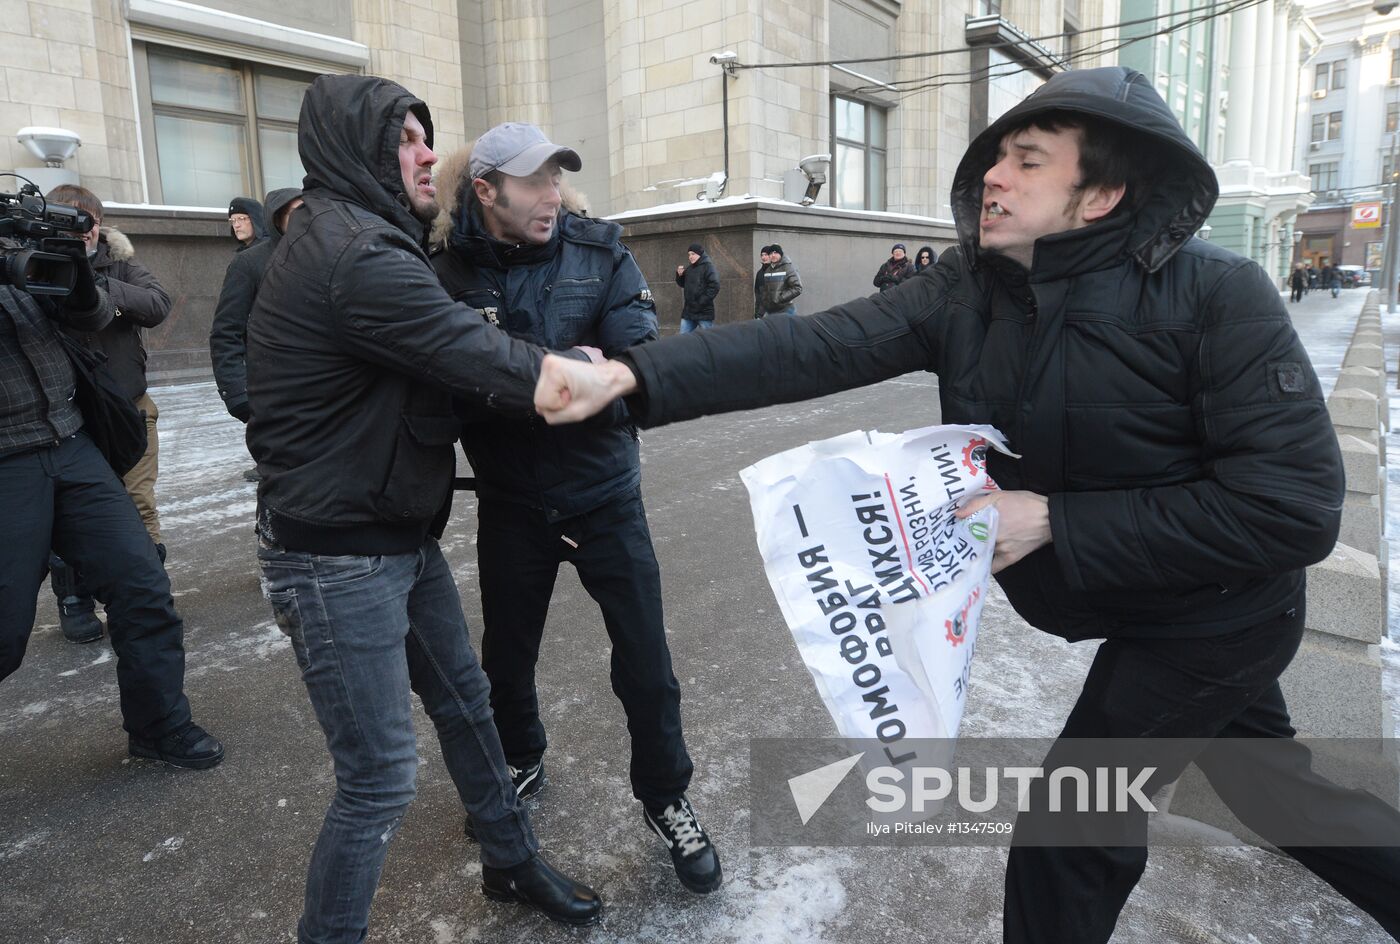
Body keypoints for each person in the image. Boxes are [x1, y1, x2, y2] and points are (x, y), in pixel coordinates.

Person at [534, 66, 1400, 943]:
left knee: (1069, 838)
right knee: (1273, 789)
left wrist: (1056, 518)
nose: (993, 174)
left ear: (1100, 194)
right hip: (1136, 597)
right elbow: (809, 348)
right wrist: (631, 373)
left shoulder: (1216, 295)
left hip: (1219, 616)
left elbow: (1292, 509)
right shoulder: (968, 290)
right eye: (995, 157)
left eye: (1027, 161)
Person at [246, 77, 602, 941]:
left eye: (425, 135)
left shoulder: (369, 238)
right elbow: (469, 351)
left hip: (391, 532)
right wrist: (579, 371)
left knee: (468, 704)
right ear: (358, 151)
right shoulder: (353, 253)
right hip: (335, 556)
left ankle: (510, 863)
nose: (428, 154)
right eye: (406, 138)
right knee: (377, 778)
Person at [428, 122, 722, 895]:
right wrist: (563, 368)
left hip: (603, 496)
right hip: (512, 502)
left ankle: (666, 797)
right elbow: (447, 377)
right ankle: (522, 758)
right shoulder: (446, 271)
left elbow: (634, 355)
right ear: (485, 189)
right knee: (508, 656)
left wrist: (538, 373)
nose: (552, 194)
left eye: (557, 177)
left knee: (647, 663)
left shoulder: (600, 252)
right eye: (533, 181)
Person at [0, 218, 223, 770]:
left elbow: (96, 318)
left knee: (143, 585)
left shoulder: (15, 245)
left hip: (73, 444)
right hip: (7, 460)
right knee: (5, 630)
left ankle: (158, 727)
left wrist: (77, 279)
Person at [43, 183, 173, 644]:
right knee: (73, 516)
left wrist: (96, 284)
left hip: (129, 409)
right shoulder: (36, 268)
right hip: (67, 420)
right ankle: (75, 600)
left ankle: (149, 590)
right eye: (70, 220)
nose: (83, 230)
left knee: (139, 503)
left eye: (89, 221)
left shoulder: (120, 264)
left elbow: (157, 305)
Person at [210, 190, 299, 483]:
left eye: (242, 218)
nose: (236, 225)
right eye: (232, 220)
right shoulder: (248, 263)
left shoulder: (324, 256)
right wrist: (237, 394)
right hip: (270, 389)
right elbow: (226, 332)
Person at [675, 242, 721, 333]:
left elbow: (715, 286)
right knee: (683, 339)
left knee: (709, 339)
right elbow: (682, 284)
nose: (690, 257)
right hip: (688, 312)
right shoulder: (689, 269)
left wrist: (701, 302)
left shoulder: (708, 267)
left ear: (700, 254)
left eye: (693, 254)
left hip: (703, 311)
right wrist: (679, 275)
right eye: (689, 254)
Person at [755, 243, 802, 317]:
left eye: (775, 253)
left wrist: (780, 298)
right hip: (770, 312)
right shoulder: (768, 270)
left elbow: (797, 288)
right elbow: (765, 293)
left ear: (781, 254)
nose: (773, 255)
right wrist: (760, 313)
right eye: (770, 253)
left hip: (786, 310)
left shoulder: (788, 268)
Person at [753, 245, 772, 318]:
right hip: (762, 313)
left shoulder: (776, 271)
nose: (763, 257)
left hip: (773, 311)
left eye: (766, 255)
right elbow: (757, 294)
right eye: (762, 255)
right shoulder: (759, 273)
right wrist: (757, 312)